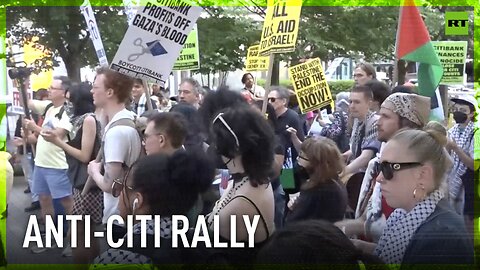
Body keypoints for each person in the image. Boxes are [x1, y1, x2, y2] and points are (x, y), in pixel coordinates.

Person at [352, 128, 474, 266]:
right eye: (380, 167)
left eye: (388, 168)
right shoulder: (405, 215)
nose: (379, 178)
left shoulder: (441, 238)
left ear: (422, 175)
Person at [335, 93, 431, 243]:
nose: (378, 122)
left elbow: (405, 245)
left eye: (386, 117)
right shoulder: (380, 163)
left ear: (407, 123)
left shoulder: (417, 170)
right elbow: (367, 221)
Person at [91, 150, 214, 266]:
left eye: (122, 187)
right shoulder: (204, 245)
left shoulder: (117, 260)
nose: (119, 194)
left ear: (137, 201)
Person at [206, 105, 275, 266]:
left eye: (218, 142)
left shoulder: (240, 204)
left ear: (234, 148)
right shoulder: (251, 179)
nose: (215, 147)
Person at [41, 82, 102, 264]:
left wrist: (58, 143)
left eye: (70, 101)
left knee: (82, 233)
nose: (68, 105)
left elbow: (84, 155)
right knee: (84, 232)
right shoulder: (81, 119)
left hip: (88, 184)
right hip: (80, 181)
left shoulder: (89, 120)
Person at [87, 67, 142, 240]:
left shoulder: (117, 132)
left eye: (95, 87)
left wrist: (94, 171)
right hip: (130, 212)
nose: (91, 91)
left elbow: (109, 185)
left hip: (118, 217)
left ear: (109, 92)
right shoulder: (129, 118)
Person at [23, 76, 74, 250]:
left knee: (67, 203)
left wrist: (35, 128)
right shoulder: (49, 106)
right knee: (44, 200)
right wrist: (24, 85)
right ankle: (53, 238)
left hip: (58, 166)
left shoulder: (68, 111)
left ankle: (73, 241)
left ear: (65, 93)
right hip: (41, 164)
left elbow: (57, 135)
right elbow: (29, 103)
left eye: (53, 88)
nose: (49, 90)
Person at [257, 220, 385, 268]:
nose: (300, 161)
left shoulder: (323, 191)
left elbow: (288, 186)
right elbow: (289, 188)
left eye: (303, 158)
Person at [286, 137, 347, 223]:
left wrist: (293, 208)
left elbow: (287, 187)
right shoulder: (333, 181)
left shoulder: (320, 190)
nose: (298, 158)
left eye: (301, 156)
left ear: (315, 162)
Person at [446, 94, 479, 235]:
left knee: (468, 222)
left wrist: (455, 148)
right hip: (454, 182)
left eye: (463, 110)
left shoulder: (476, 134)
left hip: (469, 184)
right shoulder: (452, 131)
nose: (458, 112)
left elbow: (474, 165)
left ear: (471, 114)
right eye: (456, 109)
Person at [343, 85, 381, 176]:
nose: (352, 106)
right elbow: (356, 149)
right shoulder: (357, 120)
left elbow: (365, 157)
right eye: (350, 101)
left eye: (357, 102)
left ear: (369, 104)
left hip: (370, 175)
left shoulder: (375, 123)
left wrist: (343, 172)